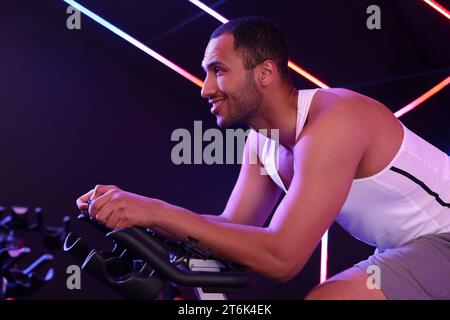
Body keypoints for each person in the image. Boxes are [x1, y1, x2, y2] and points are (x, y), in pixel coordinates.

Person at [76, 17, 450, 300]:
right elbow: (230, 230)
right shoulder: (261, 143)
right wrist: (133, 216)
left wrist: (154, 210)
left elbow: (282, 258)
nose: (205, 89)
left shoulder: (334, 120)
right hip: (406, 246)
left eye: (218, 71)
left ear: (266, 72)